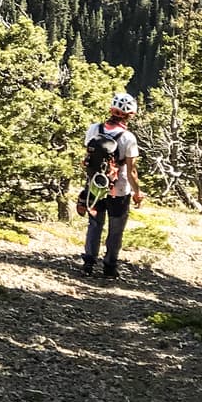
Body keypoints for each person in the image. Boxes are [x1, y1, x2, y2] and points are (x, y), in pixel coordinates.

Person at [80, 91, 143, 280]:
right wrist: (137, 192)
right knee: (115, 230)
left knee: (94, 224)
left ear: (111, 110)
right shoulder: (128, 138)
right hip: (119, 190)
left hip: (95, 186)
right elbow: (131, 171)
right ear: (130, 115)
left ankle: (88, 264)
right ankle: (109, 268)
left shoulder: (94, 129)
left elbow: (87, 158)